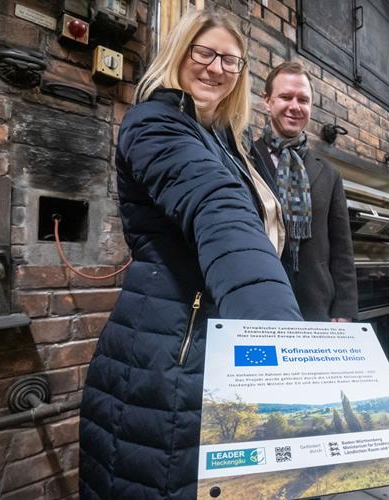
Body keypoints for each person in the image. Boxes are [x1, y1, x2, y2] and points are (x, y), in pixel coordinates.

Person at [79, 11, 302, 499]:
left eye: (230, 60)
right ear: (177, 52)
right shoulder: (155, 123)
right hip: (173, 344)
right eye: (204, 53)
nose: (217, 68)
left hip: (202, 335)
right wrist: (277, 339)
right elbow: (217, 209)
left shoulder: (222, 140)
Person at [253, 61, 358, 322]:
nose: (295, 106)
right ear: (267, 101)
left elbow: (342, 246)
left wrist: (344, 309)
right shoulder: (245, 158)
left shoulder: (329, 173)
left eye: (303, 99)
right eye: (285, 97)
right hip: (258, 300)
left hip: (316, 304)